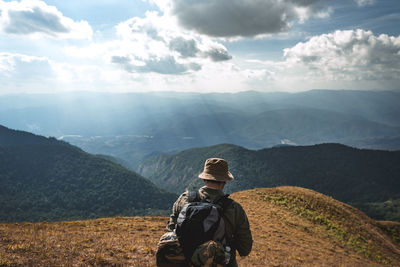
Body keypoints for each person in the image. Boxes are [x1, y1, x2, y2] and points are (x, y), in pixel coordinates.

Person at [166, 158, 253, 267]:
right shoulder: (234, 209)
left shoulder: (184, 199)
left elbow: (170, 231)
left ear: (204, 179)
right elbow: (245, 249)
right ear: (224, 182)